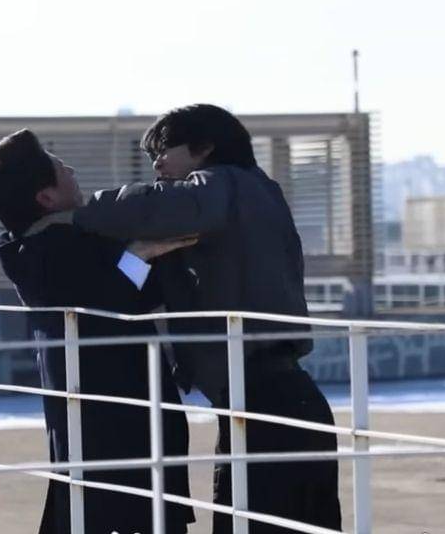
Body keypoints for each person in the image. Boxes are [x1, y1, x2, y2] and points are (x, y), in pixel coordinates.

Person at [74, 104, 342, 533]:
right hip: (281, 394)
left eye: (164, 151)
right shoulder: (260, 190)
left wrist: (78, 210)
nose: (157, 165)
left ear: (203, 147)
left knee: (250, 520)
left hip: (261, 397)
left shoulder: (217, 186)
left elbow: (149, 209)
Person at [0, 128, 195, 534]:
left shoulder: (35, 244)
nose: (72, 170)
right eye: (60, 168)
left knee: (99, 506)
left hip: (102, 411)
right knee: (118, 508)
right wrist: (139, 254)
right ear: (46, 197)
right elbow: (107, 302)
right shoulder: (43, 251)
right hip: (111, 412)